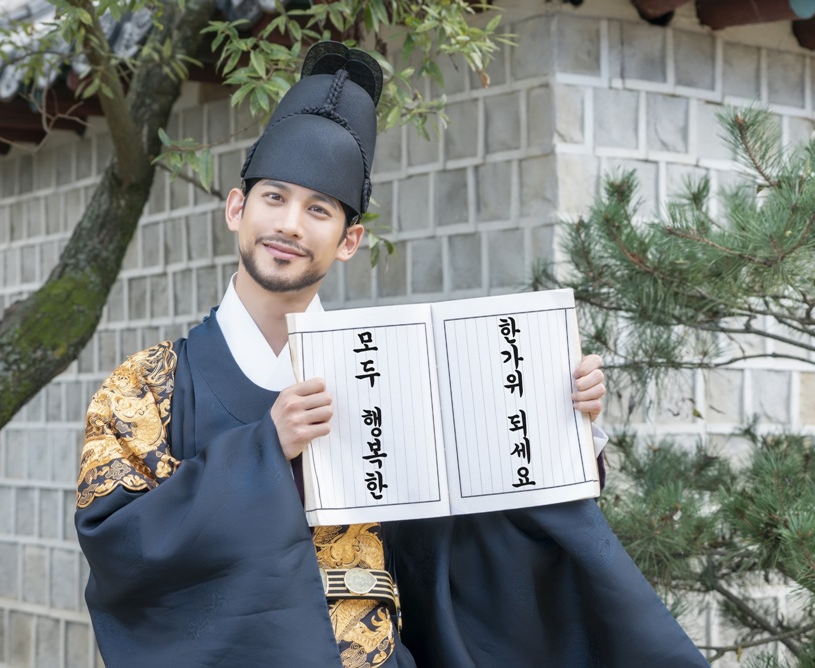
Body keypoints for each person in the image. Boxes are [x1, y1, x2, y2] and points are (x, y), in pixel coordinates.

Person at [75, 41, 708, 667]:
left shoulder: (392, 374)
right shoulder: (144, 387)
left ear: (349, 240)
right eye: (274, 197)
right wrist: (264, 450)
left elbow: (476, 535)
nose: (291, 225)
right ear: (236, 208)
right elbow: (120, 547)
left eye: (318, 209)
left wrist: (560, 425)